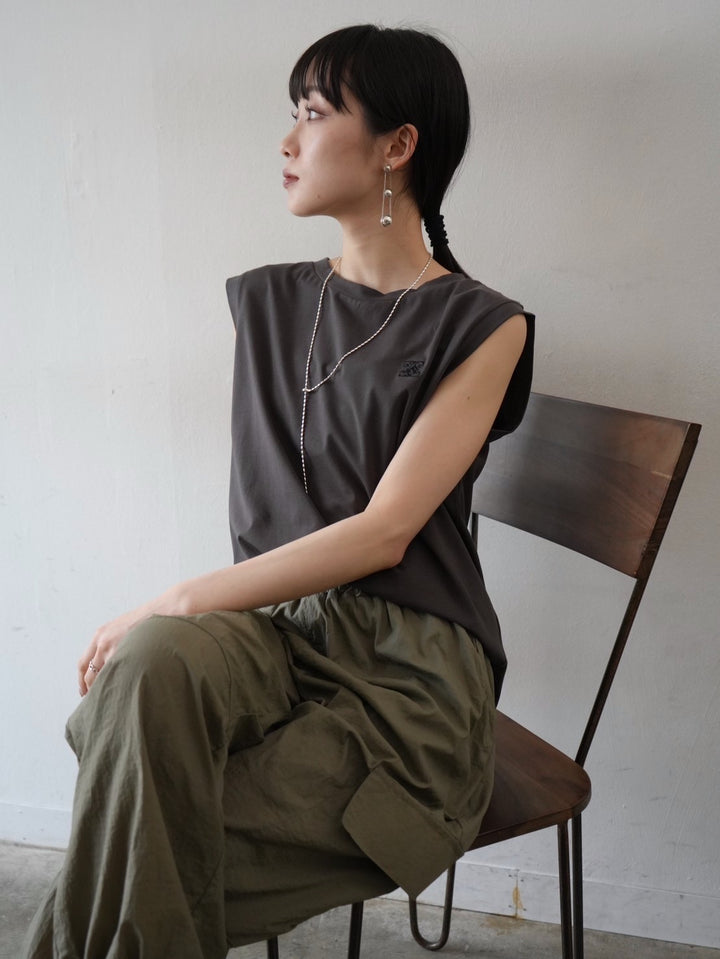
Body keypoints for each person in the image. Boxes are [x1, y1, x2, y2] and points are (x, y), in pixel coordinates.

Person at [23, 23, 534, 959]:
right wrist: (174, 618)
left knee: (136, 843)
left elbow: (384, 533)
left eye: (314, 114)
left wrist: (177, 596)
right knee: (152, 665)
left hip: (404, 671)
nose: (288, 141)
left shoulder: (481, 325)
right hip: (273, 630)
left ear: (397, 145)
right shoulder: (268, 303)